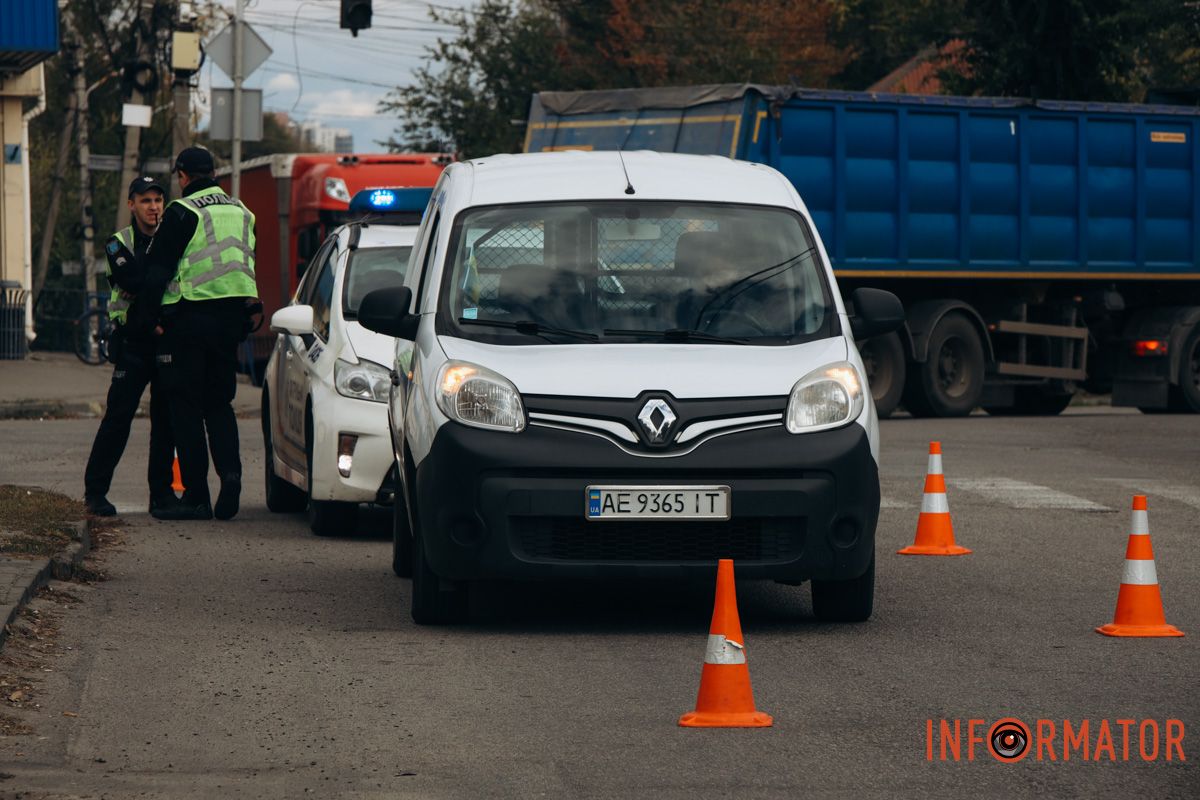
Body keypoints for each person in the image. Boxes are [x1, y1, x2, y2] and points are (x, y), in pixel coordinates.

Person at [142, 146, 258, 521]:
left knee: (186, 409)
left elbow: (157, 272)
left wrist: (146, 321)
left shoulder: (182, 211)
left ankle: (196, 497)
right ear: (215, 172)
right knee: (219, 405)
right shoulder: (242, 211)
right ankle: (232, 474)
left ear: (183, 176)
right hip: (230, 324)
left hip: (189, 320)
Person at [83, 177, 179, 517]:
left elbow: (156, 284)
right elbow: (134, 281)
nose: (153, 207)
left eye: (157, 200)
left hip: (165, 339)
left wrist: (149, 285)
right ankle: (95, 492)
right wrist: (157, 279)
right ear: (131, 205)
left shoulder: (174, 238)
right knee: (118, 418)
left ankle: (162, 495)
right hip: (133, 343)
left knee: (164, 420)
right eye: (145, 201)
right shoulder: (117, 243)